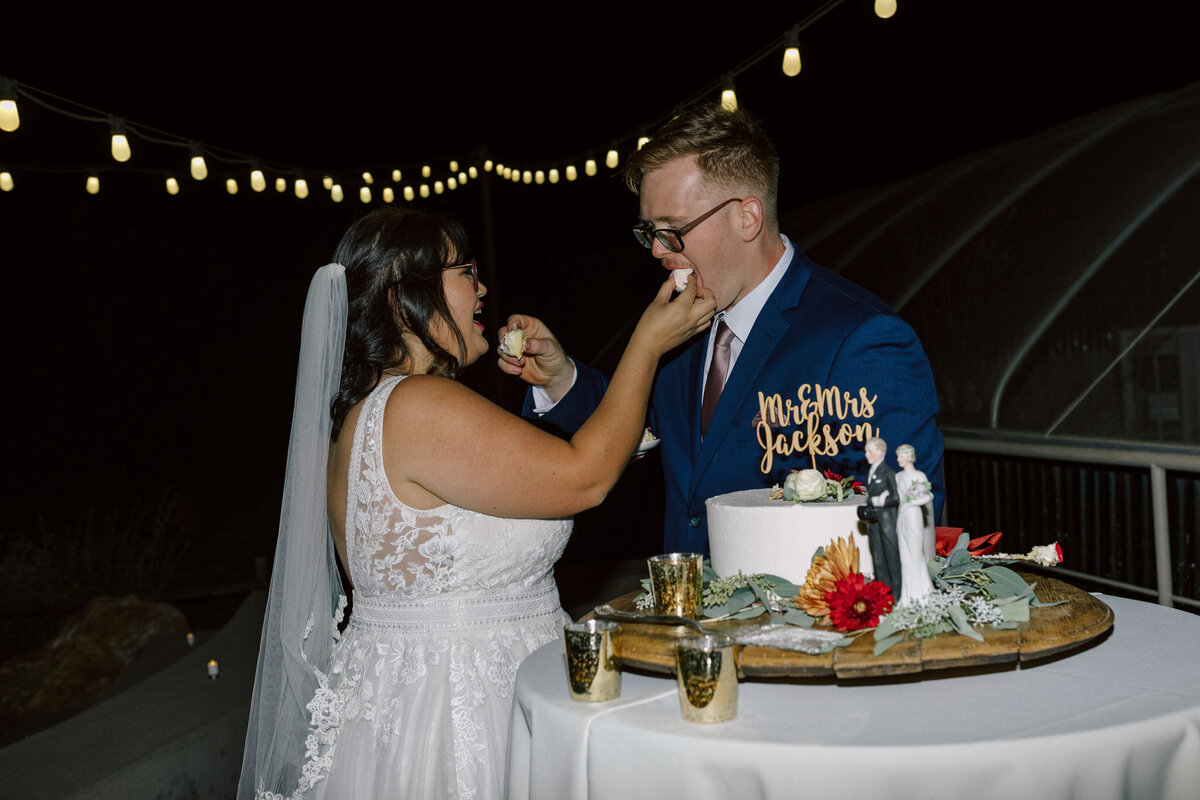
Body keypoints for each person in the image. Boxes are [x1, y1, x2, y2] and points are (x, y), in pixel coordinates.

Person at [238, 208, 714, 800]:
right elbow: (585, 478)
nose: (482, 287)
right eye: (464, 270)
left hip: (411, 707)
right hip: (465, 713)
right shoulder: (418, 404)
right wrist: (647, 343)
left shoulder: (365, 412)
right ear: (401, 297)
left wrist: (557, 379)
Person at [500, 104, 944, 556]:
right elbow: (637, 426)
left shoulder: (863, 340)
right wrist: (561, 380)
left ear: (747, 217)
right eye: (649, 230)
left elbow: (904, 526)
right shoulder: (686, 319)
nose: (656, 249)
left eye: (674, 228)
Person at [858, 436, 902, 598]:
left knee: (892, 558)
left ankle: (897, 595)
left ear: (881, 452)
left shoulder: (888, 472)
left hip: (888, 521)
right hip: (873, 521)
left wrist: (882, 500)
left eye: (870, 451)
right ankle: (883, 594)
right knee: (877, 559)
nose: (867, 455)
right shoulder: (870, 471)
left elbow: (897, 497)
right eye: (866, 451)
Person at [895, 442, 936, 603]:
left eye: (901, 456)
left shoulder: (919, 476)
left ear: (909, 457)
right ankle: (907, 595)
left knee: (916, 553)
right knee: (904, 556)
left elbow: (927, 497)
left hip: (914, 515)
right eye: (898, 456)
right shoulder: (898, 476)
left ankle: (922, 593)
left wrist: (911, 502)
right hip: (901, 516)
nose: (899, 459)